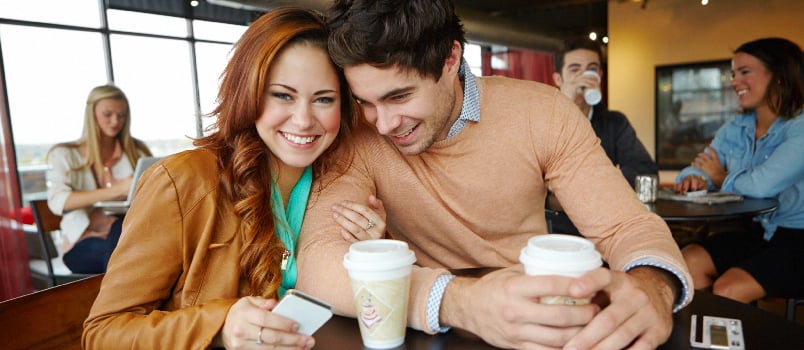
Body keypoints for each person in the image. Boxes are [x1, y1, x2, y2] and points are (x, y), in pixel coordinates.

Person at [297, 1, 693, 349]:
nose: (382, 124)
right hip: (423, 332)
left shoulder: (544, 112)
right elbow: (318, 264)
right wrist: (459, 302)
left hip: (541, 325)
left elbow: (626, 227)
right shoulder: (355, 137)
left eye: (399, 96)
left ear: (450, 59)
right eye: (365, 101)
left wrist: (653, 287)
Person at [83, 8, 368, 349]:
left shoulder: (343, 178)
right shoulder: (182, 182)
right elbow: (102, 334)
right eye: (282, 95)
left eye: (323, 99)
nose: (304, 120)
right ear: (247, 92)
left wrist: (369, 250)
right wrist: (220, 325)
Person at [673, 37, 804, 304]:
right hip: (757, 231)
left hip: (798, 238)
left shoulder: (800, 128)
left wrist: (720, 178)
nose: (734, 81)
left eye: (745, 72)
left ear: (779, 76)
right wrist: (694, 179)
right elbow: (696, 168)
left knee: (729, 288)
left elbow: (761, 186)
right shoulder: (737, 126)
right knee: (687, 262)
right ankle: (708, 340)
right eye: (733, 74)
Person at [548, 39, 658, 234]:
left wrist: (566, 193)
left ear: (599, 76)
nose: (584, 77)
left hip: (607, 228)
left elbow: (644, 173)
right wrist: (567, 108)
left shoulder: (614, 122)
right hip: (555, 230)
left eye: (591, 70)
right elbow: (534, 189)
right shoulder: (544, 122)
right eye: (574, 70)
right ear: (558, 80)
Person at [46, 84, 152, 274]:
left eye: (121, 115)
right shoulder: (66, 154)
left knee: (126, 238)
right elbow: (57, 202)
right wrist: (117, 190)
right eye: (107, 114)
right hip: (82, 243)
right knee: (129, 253)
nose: (115, 121)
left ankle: (116, 302)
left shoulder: (137, 152)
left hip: (129, 234)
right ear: (91, 113)